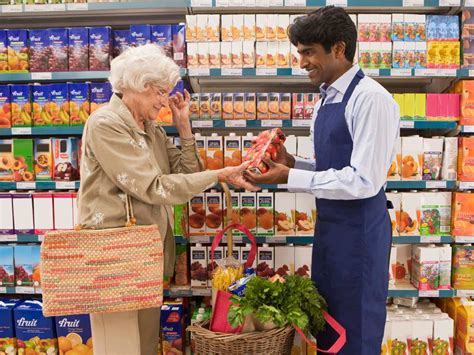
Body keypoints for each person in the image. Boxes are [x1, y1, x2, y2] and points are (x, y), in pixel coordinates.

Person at [77, 44, 258, 355]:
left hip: (146, 252)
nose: (164, 100)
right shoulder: (106, 124)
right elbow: (154, 188)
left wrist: (183, 124)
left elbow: (188, 172)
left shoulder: (151, 127)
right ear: (139, 85)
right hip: (113, 256)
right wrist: (220, 175)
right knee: (120, 345)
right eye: (160, 92)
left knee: (146, 342)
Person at [244, 6, 399, 354]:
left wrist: (290, 176)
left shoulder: (371, 99)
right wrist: (292, 162)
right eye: (299, 52)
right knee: (328, 322)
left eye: (309, 52)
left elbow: (363, 180)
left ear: (339, 49)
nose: (302, 62)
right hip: (330, 230)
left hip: (360, 234)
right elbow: (334, 167)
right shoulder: (326, 99)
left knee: (355, 326)